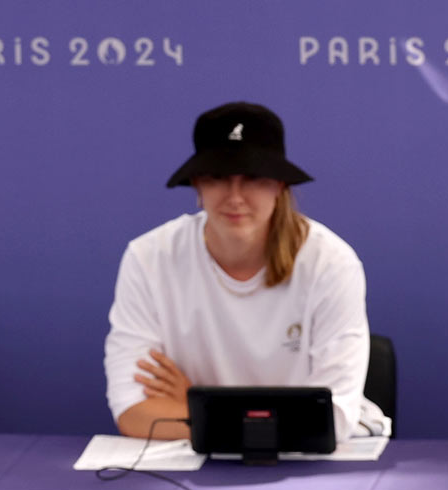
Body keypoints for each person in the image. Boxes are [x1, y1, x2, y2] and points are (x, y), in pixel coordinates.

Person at [105, 102, 387, 442]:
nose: (235, 197)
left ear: (280, 186)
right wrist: (242, 419)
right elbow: (134, 413)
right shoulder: (149, 258)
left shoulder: (331, 263)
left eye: (253, 178)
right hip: (197, 465)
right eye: (218, 178)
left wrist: (197, 406)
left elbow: (332, 419)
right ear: (197, 185)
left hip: (314, 466)